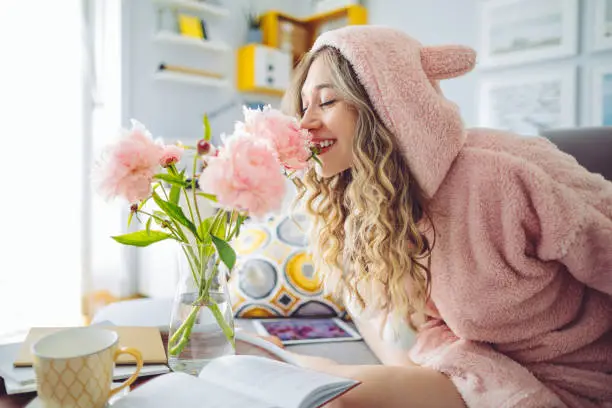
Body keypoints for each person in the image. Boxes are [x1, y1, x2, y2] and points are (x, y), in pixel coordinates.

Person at [279, 25, 612, 408]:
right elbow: (421, 325)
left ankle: (296, 366)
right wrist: (441, 362)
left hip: (584, 382)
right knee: (327, 393)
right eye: (304, 106)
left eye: (326, 102)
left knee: (336, 392)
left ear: (382, 102)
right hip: (489, 371)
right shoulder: (373, 202)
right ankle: (292, 368)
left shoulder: (501, 173)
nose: (305, 124)